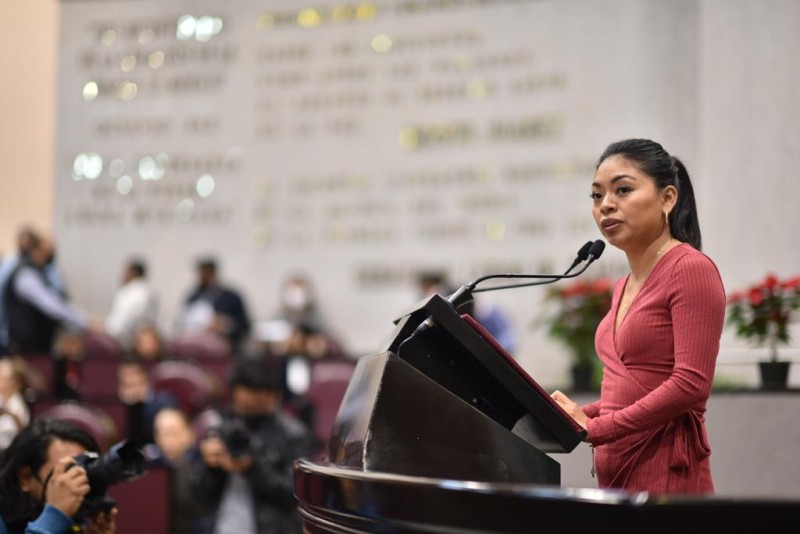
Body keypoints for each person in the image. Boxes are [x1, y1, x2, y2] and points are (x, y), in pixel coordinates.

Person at [549, 138, 726, 494]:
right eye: (597, 196)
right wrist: (582, 416)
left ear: (667, 199)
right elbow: (631, 389)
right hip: (616, 474)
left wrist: (598, 428)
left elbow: (690, 385)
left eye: (623, 190)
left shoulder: (690, 268)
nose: (606, 206)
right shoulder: (623, 285)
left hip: (666, 475)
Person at [190, 358, 315, 533]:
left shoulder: (294, 435)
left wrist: (252, 468)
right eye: (242, 406)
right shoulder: (221, 429)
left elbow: (295, 496)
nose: (247, 414)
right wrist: (210, 467)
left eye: (255, 406)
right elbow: (198, 495)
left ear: (272, 396)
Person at [0, 418, 117, 534]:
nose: (76, 482)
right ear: (25, 478)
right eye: (68, 471)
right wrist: (54, 516)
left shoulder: (77, 523)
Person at [2, 234, 100, 355]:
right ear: (35, 250)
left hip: (38, 345)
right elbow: (52, 306)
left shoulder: (43, 273)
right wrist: (86, 321)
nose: (48, 257)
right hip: (26, 349)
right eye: (45, 252)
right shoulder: (26, 276)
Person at [147, 407, 205, 534]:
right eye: (161, 433)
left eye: (172, 432)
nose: (167, 439)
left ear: (189, 434)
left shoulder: (202, 468)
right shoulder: (151, 469)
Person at [178, 257, 251, 356]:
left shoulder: (231, 297)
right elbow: (183, 322)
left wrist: (226, 325)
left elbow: (245, 325)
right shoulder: (193, 298)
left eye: (207, 272)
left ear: (214, 273)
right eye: (201, 273)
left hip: (224, 352)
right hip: (195, 351)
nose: (203, 276)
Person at [117, 357, 179, 445]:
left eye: (133, 374)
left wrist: (138, 405)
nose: (128, 379)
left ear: (144, 376)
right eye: (124, 376)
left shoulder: (164, 400)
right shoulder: (121, 406)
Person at [105, 258, 159, 349]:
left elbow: (122, 322)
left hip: (129, 342)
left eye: (125, 272)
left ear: (132, 273)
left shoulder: (131, 292)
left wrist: (107, 332)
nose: (123, 275)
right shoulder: (149, 291)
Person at [0, 357, 30, 451]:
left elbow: (25, 434)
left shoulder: (19, 403)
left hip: (8, 452)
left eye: (3, 378)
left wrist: (11, 414)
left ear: (15, 382)